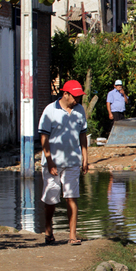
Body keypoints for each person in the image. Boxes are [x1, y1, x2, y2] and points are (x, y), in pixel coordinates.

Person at [39, 80, 89, 246]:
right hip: (53, 162)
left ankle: (72, 235)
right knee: (51, 198)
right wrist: (49, 160)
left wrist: (85, 158)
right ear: (65, 94)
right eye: (74, 96)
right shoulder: (50, 110)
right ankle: (48, 231)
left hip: (73, 161)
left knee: (72, 197)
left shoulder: (80, 110)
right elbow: (44, 138)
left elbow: (83, 136)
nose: (77, 100)